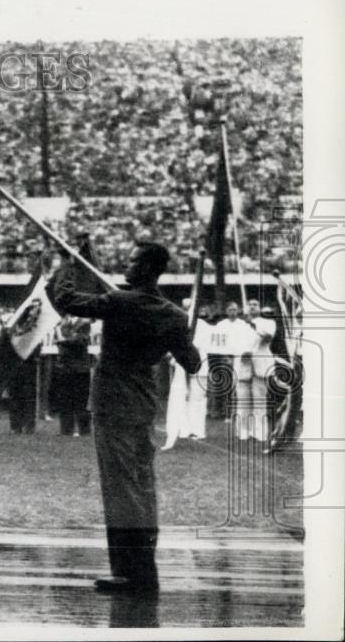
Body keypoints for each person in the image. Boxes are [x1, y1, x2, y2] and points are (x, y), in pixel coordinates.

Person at [47, 241, 200, 596]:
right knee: (141, 487)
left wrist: (66, 266)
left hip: (113, 404)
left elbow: (66, 300)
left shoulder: (119, 302)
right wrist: (184, 335)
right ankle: (141, 570)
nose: (126, 266)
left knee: (120, 489)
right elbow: (192, 363)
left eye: (132, 262)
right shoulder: (172, 315)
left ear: (147, 268)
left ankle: (133, 575)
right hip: (142, 405)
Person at [161, 299, 214, 449]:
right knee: (179, 395)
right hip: (182, 364)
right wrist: (172, 353)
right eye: (185, 308)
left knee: (197, 398)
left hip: (200, 364)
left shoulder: (204, 327)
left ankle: (197, 430)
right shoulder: (178, 323)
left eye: (190, 308)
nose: (187, 310)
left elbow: (201, 345)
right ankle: (183, 428)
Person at [209, 301, 257, 430]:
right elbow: (217, 343)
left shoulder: (243, 325)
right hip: (224, 358)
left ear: (238, 311)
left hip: (239, 358)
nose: (233, 312)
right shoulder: (221, 325)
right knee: (225, 386)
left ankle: (236, 413)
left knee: (237, 387)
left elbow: (249, 340)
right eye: (230, 310)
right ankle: (223, 412)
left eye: (235, 310)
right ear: (226, 311)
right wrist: (225, 357)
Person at [52, 315, 92, 436]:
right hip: (65, 367)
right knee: (65, 400)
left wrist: (61, 341)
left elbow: (80, 341)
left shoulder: (84, 323)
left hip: (80, 368)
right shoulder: (64, 324)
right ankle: (66, 430)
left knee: (81, 401)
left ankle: (84, 430)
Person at [244, 299, 277, 444]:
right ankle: (248, 430)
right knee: (245, 400)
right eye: (250, 305)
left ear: (259, 308)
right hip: (245, 365)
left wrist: (254, 326)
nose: (252, 307)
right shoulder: (242, 324)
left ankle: (261, 432)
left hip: (261, 365)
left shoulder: (267, 322)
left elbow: (269, 336)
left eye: (255, 305)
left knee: (260, 400)